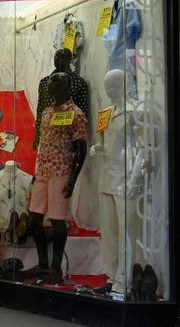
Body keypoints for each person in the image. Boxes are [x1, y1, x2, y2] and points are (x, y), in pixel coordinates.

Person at [28, 72, 87, 285]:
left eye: (56, 80)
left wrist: (73, 179)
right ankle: (42, 264)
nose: (51, 82)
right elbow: (44, 143)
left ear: (66, 86)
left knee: (57, 220)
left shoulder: (76, 114)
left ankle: (55, 268)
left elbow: (81, 149)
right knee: (34, 219)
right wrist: (37, 171)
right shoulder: (46, 112)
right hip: (43, 171)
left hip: (61, 171)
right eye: (51, 80)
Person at [90, 69, 139, 295]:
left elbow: (142, 148)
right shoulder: (105, 114)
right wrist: (97, 147)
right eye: (107, 86)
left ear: (123, 85)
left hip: (125, 179)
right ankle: (111, 276)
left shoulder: (133, 112)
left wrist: (136, 178)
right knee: (108, 231)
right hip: (107, 177)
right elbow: (101, 141)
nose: (109, 91)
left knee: (124, 233)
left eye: (113, 86)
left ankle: (124, 279)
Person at [34, 48, 88, 149]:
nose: (58, 59)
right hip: (47, 136)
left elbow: (83, 113)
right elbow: (40, 109)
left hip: (66, 140)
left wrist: (78, 142)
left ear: (69, 60)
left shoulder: (79, 83)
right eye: (56, 56)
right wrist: (37, 135)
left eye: (62, 57)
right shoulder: (45, 82)